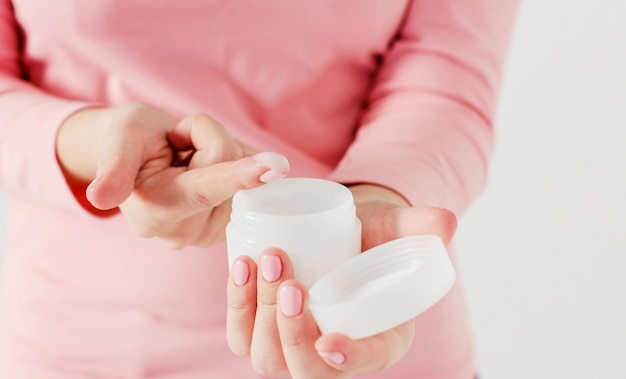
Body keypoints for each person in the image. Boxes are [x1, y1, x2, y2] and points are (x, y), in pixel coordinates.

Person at [0, 1, 519, 378]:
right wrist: (96, 143)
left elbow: (447, 82)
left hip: (363, 332)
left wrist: (378, 195)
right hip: (76, 345)